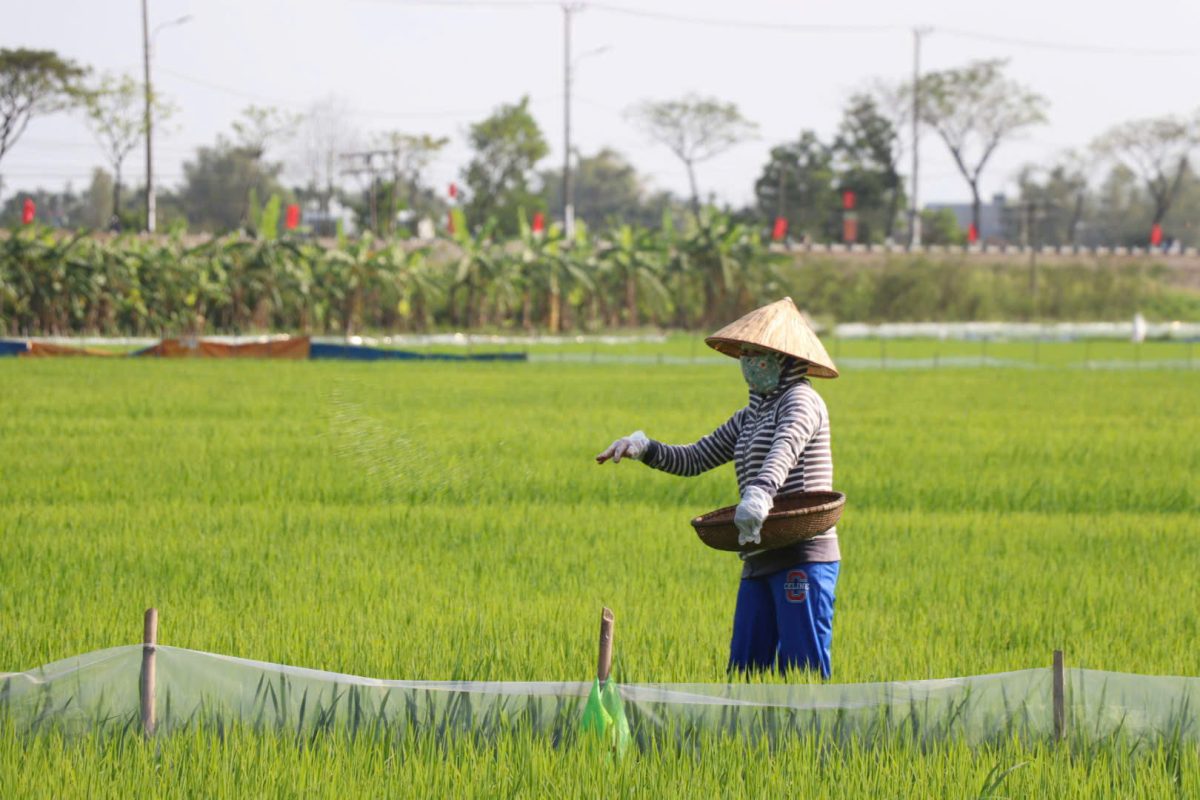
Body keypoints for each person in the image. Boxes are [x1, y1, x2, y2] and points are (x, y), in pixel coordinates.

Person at [596, 297, 840, 677]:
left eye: (758, 352)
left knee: (801, 673)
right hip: (758, 551)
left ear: (786, 359)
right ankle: (747, 739)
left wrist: (760, 491)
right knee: (744, 670)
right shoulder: (749, 416)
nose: (748, 362)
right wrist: (644, 448)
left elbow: (786, 446)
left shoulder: (802, 401)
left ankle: (813, 738)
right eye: (745, 352)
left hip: (802, 555)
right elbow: (695, 458)